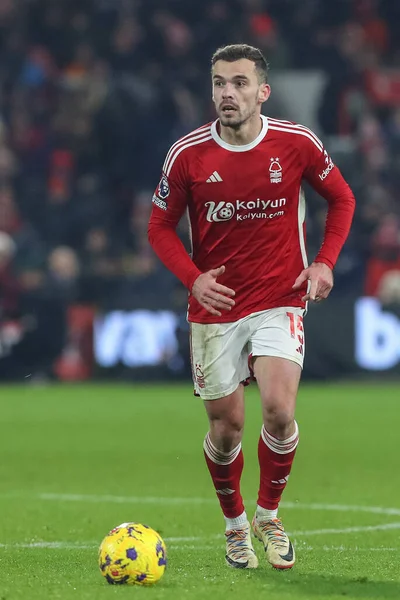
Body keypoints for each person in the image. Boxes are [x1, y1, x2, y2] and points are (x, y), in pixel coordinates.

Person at [148, 44, 355, 570]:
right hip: (216, 310)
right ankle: (235, 525)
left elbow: (343, 199)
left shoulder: (295, 143)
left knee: (280, 411)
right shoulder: (188, 154)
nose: (227, 93)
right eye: (219, 83)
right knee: (226, 430)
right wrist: (193, 280)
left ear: (262, 92)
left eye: (239, 83)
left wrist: (325, 262)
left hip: (279, 297)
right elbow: (159, 227)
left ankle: (268, 514)